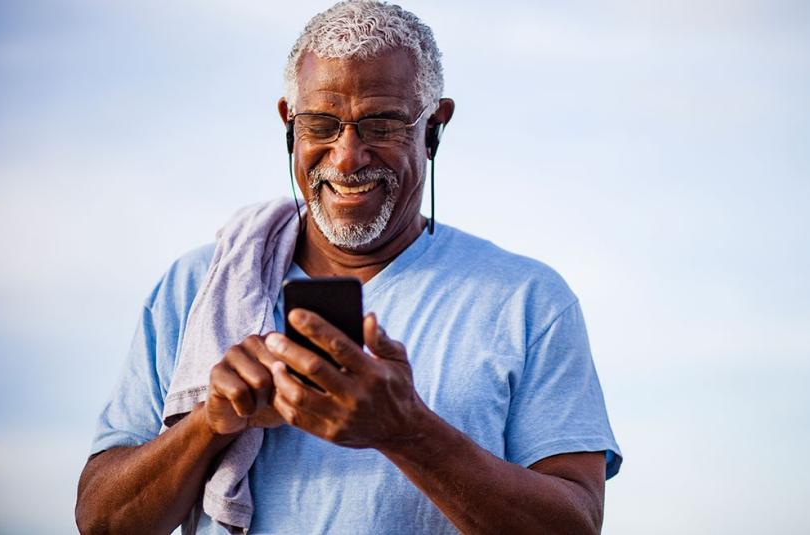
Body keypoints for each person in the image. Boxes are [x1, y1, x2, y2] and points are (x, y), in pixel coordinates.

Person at [75, 1, 621, 533]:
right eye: (322, 124)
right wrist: (212, 422)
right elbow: (101, 521)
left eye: (381, 125)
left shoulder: (526, 299)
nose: (346, 156)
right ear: (289, 122)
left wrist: (409, 432)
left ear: (435, 126)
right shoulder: (197, 287)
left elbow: (574, 522)